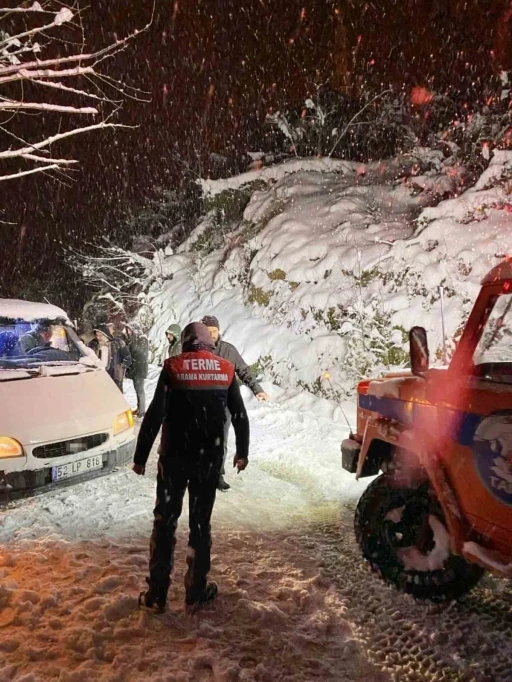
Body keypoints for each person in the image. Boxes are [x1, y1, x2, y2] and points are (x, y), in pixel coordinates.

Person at [133, 322, 250, 612]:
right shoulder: (225, 368)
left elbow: (154, 416)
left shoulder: (173, 367)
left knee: (164, 522)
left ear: (185, 342)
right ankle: (196, 590)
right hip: (207, 461)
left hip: (173, 459)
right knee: (200, 524)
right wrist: (242, 452)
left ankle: (157, 594)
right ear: (209, 343)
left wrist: (140, 456)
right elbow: (239, 415)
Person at [201, 315, 268, 491]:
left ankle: (217, 475)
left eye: (214, 331)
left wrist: (257, 389)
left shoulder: (228, 351)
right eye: (207, 331)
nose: (211, 334)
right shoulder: (196, 352)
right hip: (200, 405)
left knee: (221, 442)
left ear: (218, 331)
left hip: (224, 405)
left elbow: (244, 370)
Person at [92, 324, 132, 391]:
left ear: (105, 334)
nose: (98, 337)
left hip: (115, 377)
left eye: (100, 335)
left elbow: (128, 358)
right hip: (99, 377)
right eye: (96, 335)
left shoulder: (118, 343)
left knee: (115, 397)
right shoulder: (93, 345)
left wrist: (120, 367)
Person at [125, 322, 149, 418]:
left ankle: (142, 411)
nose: (128, 332)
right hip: (135, 368)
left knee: (140, 390)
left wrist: (129, 348)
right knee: (137, 389)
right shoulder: (133, 339)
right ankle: (139, 408)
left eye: (129, 330)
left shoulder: (142, 339)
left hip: (139, 369)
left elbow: (138, 352)